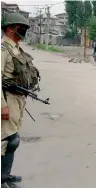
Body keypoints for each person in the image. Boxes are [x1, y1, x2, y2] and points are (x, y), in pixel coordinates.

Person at [1, 12, 40, 188]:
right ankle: (2, 178)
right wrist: (2, 106)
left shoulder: (16, 48)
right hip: (7, 99)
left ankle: (6, 174)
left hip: (18, 98)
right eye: (20, 28)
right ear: (10, 29)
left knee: (13, 138)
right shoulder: (3, 49)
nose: (23, 31)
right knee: (8, 139)